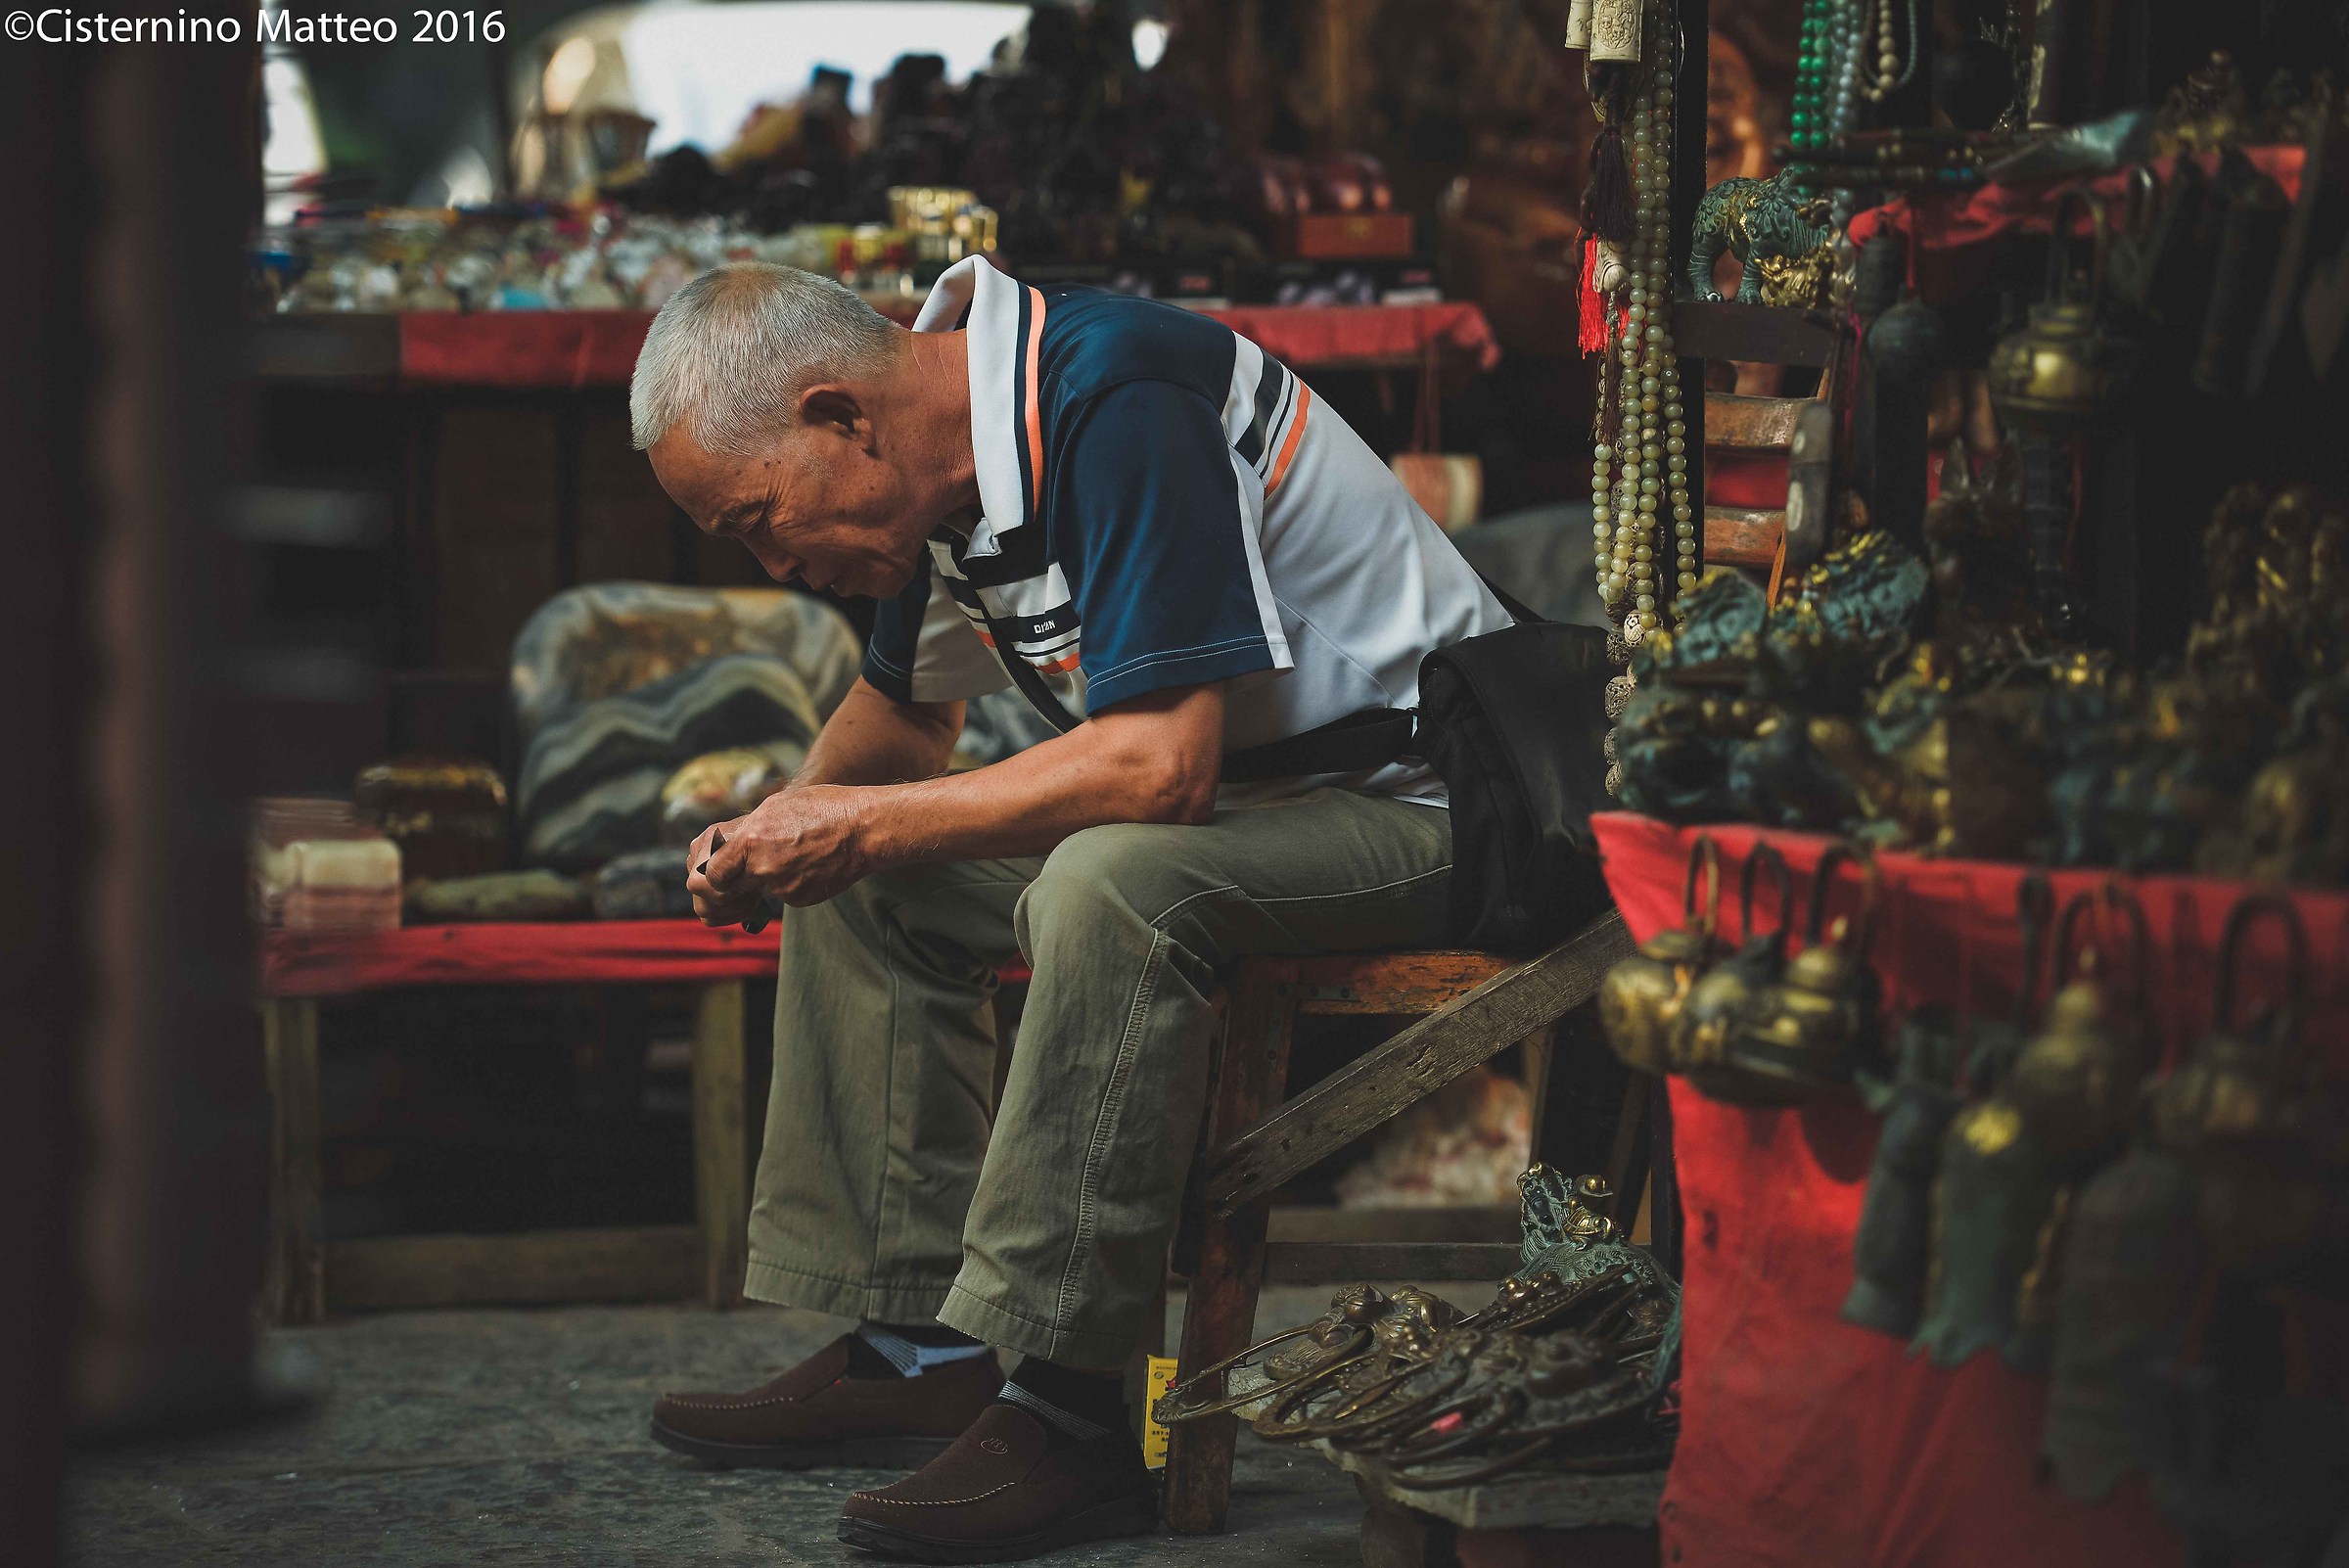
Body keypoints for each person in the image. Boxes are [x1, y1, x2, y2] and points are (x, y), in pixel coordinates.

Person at [629, 255, 1509, 1562]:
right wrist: (780, 831)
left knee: (1112, 881)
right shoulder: (940, 465)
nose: (773, 561)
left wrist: (849, 819)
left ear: (838, 417)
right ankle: (920, 1342)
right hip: (1253, 812)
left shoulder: (1110, 393)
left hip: (1426, 805)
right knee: (860, 872)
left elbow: (1160, 769)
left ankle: (1077, 1406)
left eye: (759, 519)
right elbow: (903, 719)